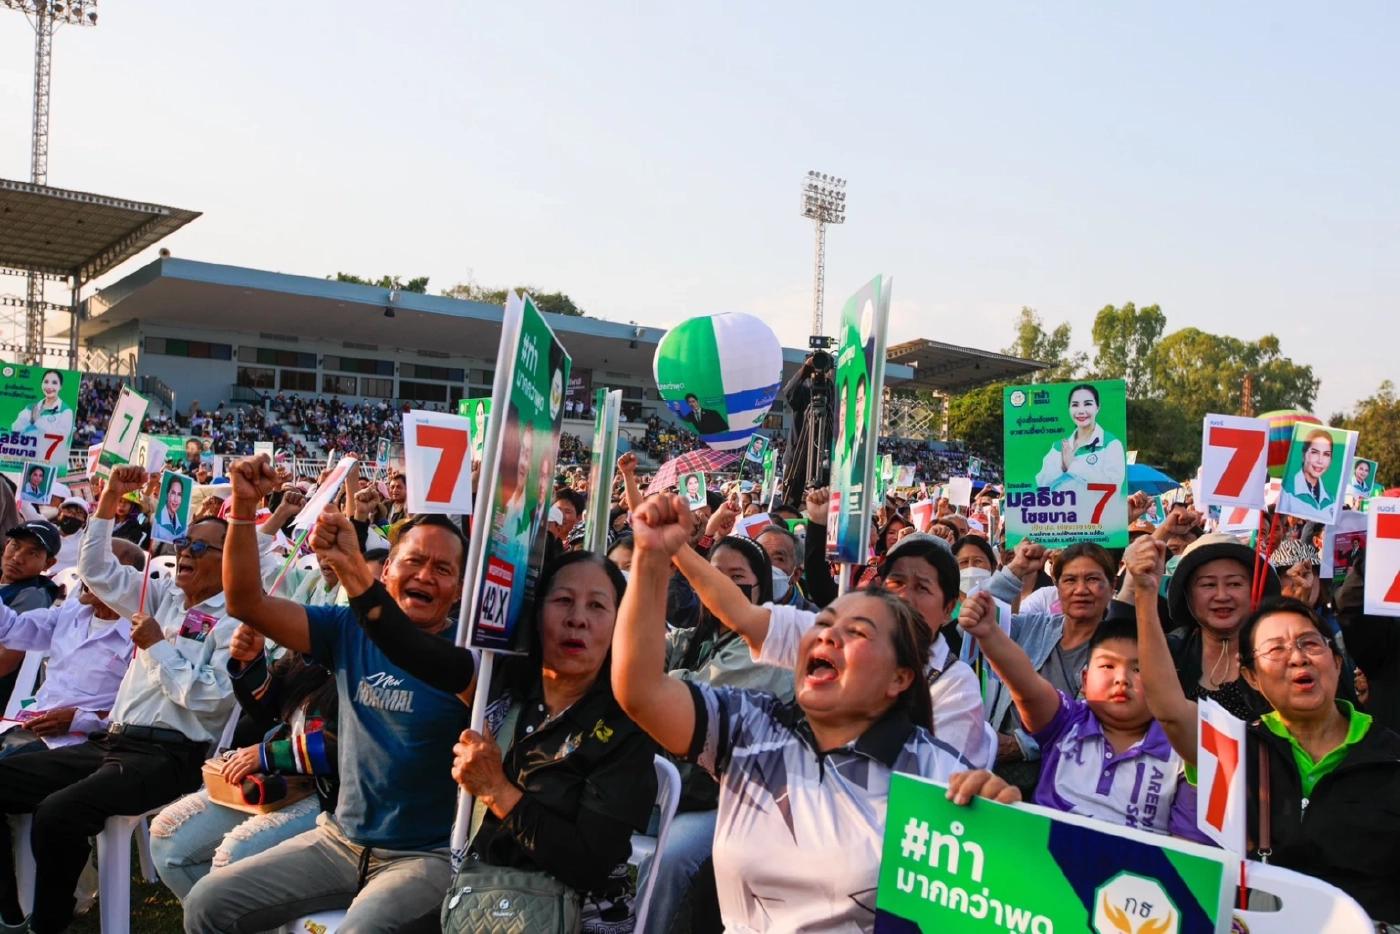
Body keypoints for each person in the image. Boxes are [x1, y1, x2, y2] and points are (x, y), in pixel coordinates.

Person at [613, 493, 1017, 933]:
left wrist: (1001, 840)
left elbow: (978, 909)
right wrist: (652, 556)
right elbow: (642, 691)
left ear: (901, 677)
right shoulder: (751, 727)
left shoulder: (934, 771)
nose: (826, 639)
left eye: (858, 632)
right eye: (822, 626)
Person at [306, 511, 657, 931]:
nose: (577, 618)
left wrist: (497, 790)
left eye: (597, 605)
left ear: (620, 625)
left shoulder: (627, 725)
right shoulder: (499, 685)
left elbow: (587, 865)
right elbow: (409, 646)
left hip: (575, 917)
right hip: (479, 899)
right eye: (563, 600)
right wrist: (353, 573)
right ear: (537, 615)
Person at [181, 458, 470, 931]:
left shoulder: (470, 661)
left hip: (425, 858)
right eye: (413, 561)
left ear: (459, 590)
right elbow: (246, 602)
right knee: (208, 903)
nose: (425, 576)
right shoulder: (346, 629)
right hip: (338, 840)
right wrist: (245, 508)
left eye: (442, 569)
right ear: (387, 570)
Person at [0, 464, 237, 934]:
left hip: (171, 755)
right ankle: (10, 911)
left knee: (57, 813)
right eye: (184, 543)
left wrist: (156, 646)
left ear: (230, 560)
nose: (183, 551)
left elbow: (211, 701)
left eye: (198, 547)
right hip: (111, 742)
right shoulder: (162, 595)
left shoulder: (234, 620)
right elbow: (97, 570)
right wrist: (108, 499)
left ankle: (46, 923)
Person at [1126, 535, 1400, 926]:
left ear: (1338, 664)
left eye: (1310, 643)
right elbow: (1169, 709)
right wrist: (1143, 594)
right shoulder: (1237, 748)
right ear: (1251, 677)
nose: (1297, 657)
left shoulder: (1391, 758)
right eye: (1276, 649)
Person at [675, 519, 997, 770]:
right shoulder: (831, 637)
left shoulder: (955, 687)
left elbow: (934, 797)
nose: (903, 597)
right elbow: (742, 614)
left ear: (948, 607)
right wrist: (675, 548)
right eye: (896, 582)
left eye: (922, 587)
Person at [958, 596, 1203, 838]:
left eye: (1138, 669)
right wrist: (989, 633)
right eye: (1108, 666)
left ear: (1165, 684)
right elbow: (1028, 687)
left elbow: (1190, 856)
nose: (1122, 679)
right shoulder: (1067, 721)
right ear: (1085, 680)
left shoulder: (1184, 752)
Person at [150, 623, 337, 901]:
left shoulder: (392, 650)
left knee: (233, 861)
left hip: (338, 795)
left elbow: (362, 744)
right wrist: (251, 664)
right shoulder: (325, 628)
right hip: (283, 781)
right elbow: (273, 707)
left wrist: (268, 754)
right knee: (168, 841)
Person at [0, 538, 143, 758]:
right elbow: (12, 629)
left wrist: (79, 719)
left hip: (80, 748)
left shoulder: (139, 638)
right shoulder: (72, 611)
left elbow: (136, 715)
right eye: (88, 563)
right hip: (27, 730)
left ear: (127, 579)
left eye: (101, 566)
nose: (88, 571)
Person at [1033, 383, 1126, 490]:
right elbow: (1041, 483)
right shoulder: (1059, 446)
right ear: (1069, 409)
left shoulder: (1111, 444)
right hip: (1060, 506)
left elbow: (1112, 486)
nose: (1081, 411)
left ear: (1097, 408)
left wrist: (1073, 466)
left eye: (1087, 404)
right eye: (1075, 405)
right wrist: (1062, 467)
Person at [11, 371, 73, 458]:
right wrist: (31, 421)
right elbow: (15, 428)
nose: (49, 386)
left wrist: (38, 421)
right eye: (46, 382)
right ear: (41, 384)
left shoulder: (65, 411)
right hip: (26, 455)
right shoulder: (31, 407)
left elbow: (61, 438)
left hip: (48, 460)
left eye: (54, 383)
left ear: (60, 386)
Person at [1279, 428, 1337, 519]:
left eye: (1326, 454)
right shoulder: (1286, 490)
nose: (1320, 461)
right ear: (1304, 454)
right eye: (1315, 452)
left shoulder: (1331, 499)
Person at [49, 498, 89, 579]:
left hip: (70, 584)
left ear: (84, 522)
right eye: (69, 511)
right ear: (60, 513)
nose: (72, 516)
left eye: (79, 514)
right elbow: (27, 509)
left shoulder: (86, 540)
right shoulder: (48, 529)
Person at [155, 477, 189, 541]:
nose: (176, 499)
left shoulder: (183, 527)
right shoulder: (155, 521)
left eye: (179, 494)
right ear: (167, 494)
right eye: (173, 493)